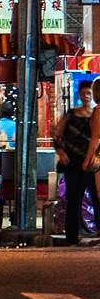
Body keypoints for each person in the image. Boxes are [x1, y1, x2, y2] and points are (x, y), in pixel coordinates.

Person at [56, 79, 95, 245]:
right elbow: (57, 135)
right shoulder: (71, 114)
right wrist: (61, 152)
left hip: (93, 162)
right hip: (72, 162)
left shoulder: (96, 114)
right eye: (83, 93)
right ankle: (72, 236)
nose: (86, 96)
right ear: (79, 94)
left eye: (89, 93)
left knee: (96, 198)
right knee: (73, 199)